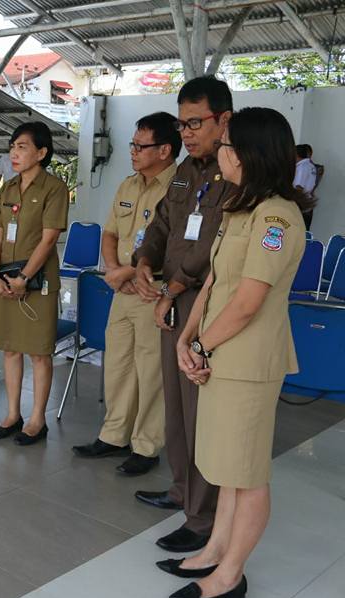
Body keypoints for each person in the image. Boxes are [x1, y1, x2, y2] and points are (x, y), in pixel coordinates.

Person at [161, 107, 307, 598]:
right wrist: (188, 338)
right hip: (220, 353)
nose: (218, 152)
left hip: (248, 361)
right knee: (226, 466)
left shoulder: (276, 217)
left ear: (248, 154)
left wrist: (201, 345)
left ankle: (231, 574)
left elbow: (249, 301)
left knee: (247, 474)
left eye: (226, 145)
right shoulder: (241, 208)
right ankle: (215, 549)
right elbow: (216, 284)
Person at [132, 76, 235, 554]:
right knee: (174, 405)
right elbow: (161, 225)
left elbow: (213, 243)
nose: (188, 133)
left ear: (223, 120)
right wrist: (145, 263)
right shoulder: (183, 173)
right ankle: (181, 489)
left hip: (199, 301)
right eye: (183, 123)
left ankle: (204, 515)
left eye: (196, 122)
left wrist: (172, 288)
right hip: (169, 298)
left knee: (198, 413)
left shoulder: (235, 172)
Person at [73, 112, 180, 474]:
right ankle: (113, 435)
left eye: (140, 145)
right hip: (122, 289)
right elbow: (110, 234)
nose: (133, 151)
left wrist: (129, 272)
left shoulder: (179, 188)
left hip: (155, 290)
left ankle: (146, 446)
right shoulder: (127, 185)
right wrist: (115, 271)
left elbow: (177, 247)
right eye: (132, 144)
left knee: (151, 370)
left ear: (165, 149)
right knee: (118, 364)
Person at [0, 122, 68, 446]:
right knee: (9, 348)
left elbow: (48, 240)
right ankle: (12, 414)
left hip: (38, 282)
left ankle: (37, 419)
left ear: (41, 152)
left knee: (38, 352)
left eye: (22, 147)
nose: (14, 153)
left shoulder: (54, 189)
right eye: (12, 147)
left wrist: (24, 278)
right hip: (5, 279)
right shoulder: (7, 189)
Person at [293, 144, 318, 230]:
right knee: (305, 232)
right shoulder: (311, 166)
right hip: (307, 203)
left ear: (296, 154)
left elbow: (299, 187)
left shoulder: (302, 167)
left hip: (300, 204)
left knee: (297, 230)